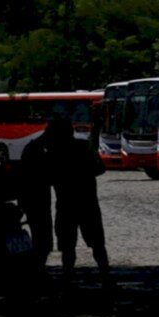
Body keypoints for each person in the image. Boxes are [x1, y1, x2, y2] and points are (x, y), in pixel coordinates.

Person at [47, 113, 113, 289]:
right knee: (97, 245)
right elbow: (100, 169)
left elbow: (48, 178)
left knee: (68, 247)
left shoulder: (53, 154)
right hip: (87, 203)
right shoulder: (83, 148)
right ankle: (105, 278)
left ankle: (67, 279)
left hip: (66, 205)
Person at [18, 125, 55, 279]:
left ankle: (37, 269)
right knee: (43, 239)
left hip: (36, 201)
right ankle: (36, 270)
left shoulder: (33, 148)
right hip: (36, 201)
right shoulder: (36, 151)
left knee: (42, 239)